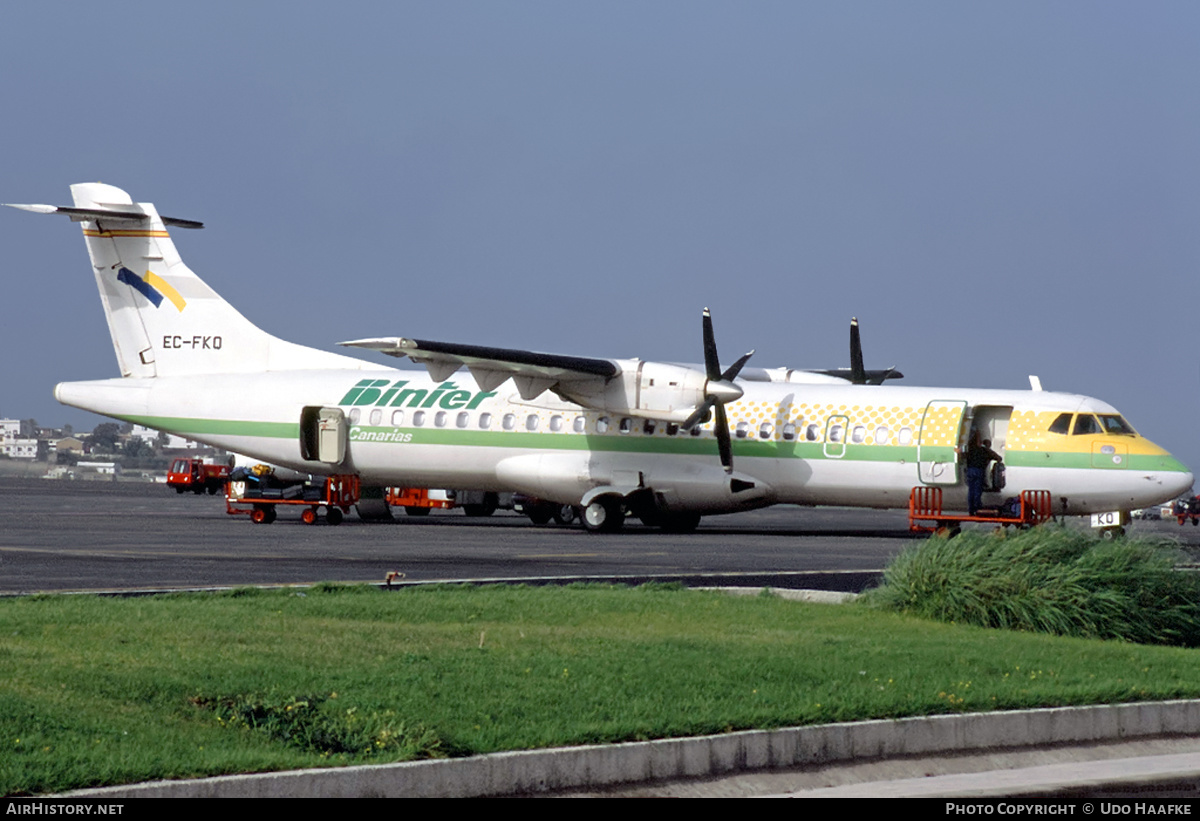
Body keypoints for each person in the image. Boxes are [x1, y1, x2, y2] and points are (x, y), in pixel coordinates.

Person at [966, 435, 1002, 515]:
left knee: (971, 490)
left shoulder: (971, 449)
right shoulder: (986, 451)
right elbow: (998, 458)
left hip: (970, 470)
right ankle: (977, 508)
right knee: (977, 490)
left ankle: (971, 509)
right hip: (979, 471)